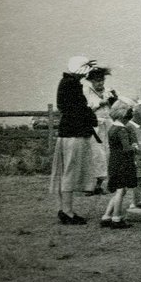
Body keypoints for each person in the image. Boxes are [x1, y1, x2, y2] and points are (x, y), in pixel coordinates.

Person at [50, 56, 99, 225]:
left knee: (67, 172)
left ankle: (66, 209)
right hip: (73, 133)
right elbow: (77, 109)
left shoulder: (67, 83)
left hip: (69, 132)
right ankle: (67, 211)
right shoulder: (71, 85)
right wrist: (90, 116)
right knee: (69, 172)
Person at [101, 99, 137, 229]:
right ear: (123, 114)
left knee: (118, 190)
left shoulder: (112, 128)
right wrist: (136, 147)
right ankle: (116, 218)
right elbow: (127, 148)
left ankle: (106, 216)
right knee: (121, 190)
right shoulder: (122, 130)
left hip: (114, 160)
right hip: (123, 162)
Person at [83, 66, 117, 195]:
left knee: (109, 153)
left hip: (108, 124)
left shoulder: (108, 91)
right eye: (97, 80)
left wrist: (114, 101)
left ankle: (103, 184)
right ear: (91, 81)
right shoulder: (86, 92)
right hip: (94, 125)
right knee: (96, 155)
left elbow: (116, 108)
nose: (100, 83)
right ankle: (91, 185)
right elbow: (85, 110)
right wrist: (99, 104)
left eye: (102, 80)